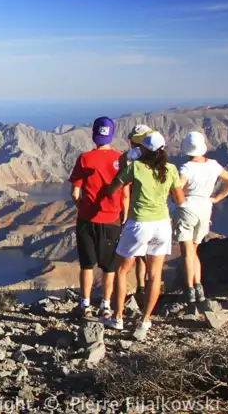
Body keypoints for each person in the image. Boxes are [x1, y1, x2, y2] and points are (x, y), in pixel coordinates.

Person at [99, 131, 185, 338]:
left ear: (143, 150)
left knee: (121, 270)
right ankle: (145, 320)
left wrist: (125, 159)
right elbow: (179, 200)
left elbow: (113, 189)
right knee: (155, 275)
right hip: (162, 225)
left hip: (139, 224)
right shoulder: (171, 169)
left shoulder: (135, 168)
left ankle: (117, 318)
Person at [69, 117, 128, 318]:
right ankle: (105, 306)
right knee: (109, 267)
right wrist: (123, 217)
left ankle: (85, 305)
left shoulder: (85, 159)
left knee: (87, 264)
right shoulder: (122, 159)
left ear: (94, 134)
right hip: (113, 221)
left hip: (87, 219)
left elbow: (75, 193)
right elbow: (126, 194)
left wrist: (82, 208)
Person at [175, 131, 228, 303]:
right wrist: (216, 198)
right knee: (194, 250)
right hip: (205, 209)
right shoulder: (213, 165)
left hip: (188, 209)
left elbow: (178, 188)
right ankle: (198, 287)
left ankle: (189, 290)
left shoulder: (186, 168)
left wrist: (179, 201)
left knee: (187, 252)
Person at [119, 125, 153, 299]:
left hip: (135, 211)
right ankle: (148, 289)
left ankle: (139, 290)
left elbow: (123, 189)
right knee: (150, 254)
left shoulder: (126, 159)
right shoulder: (156, 158)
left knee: (134, 255)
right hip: (155, 210)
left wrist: (124, 215)